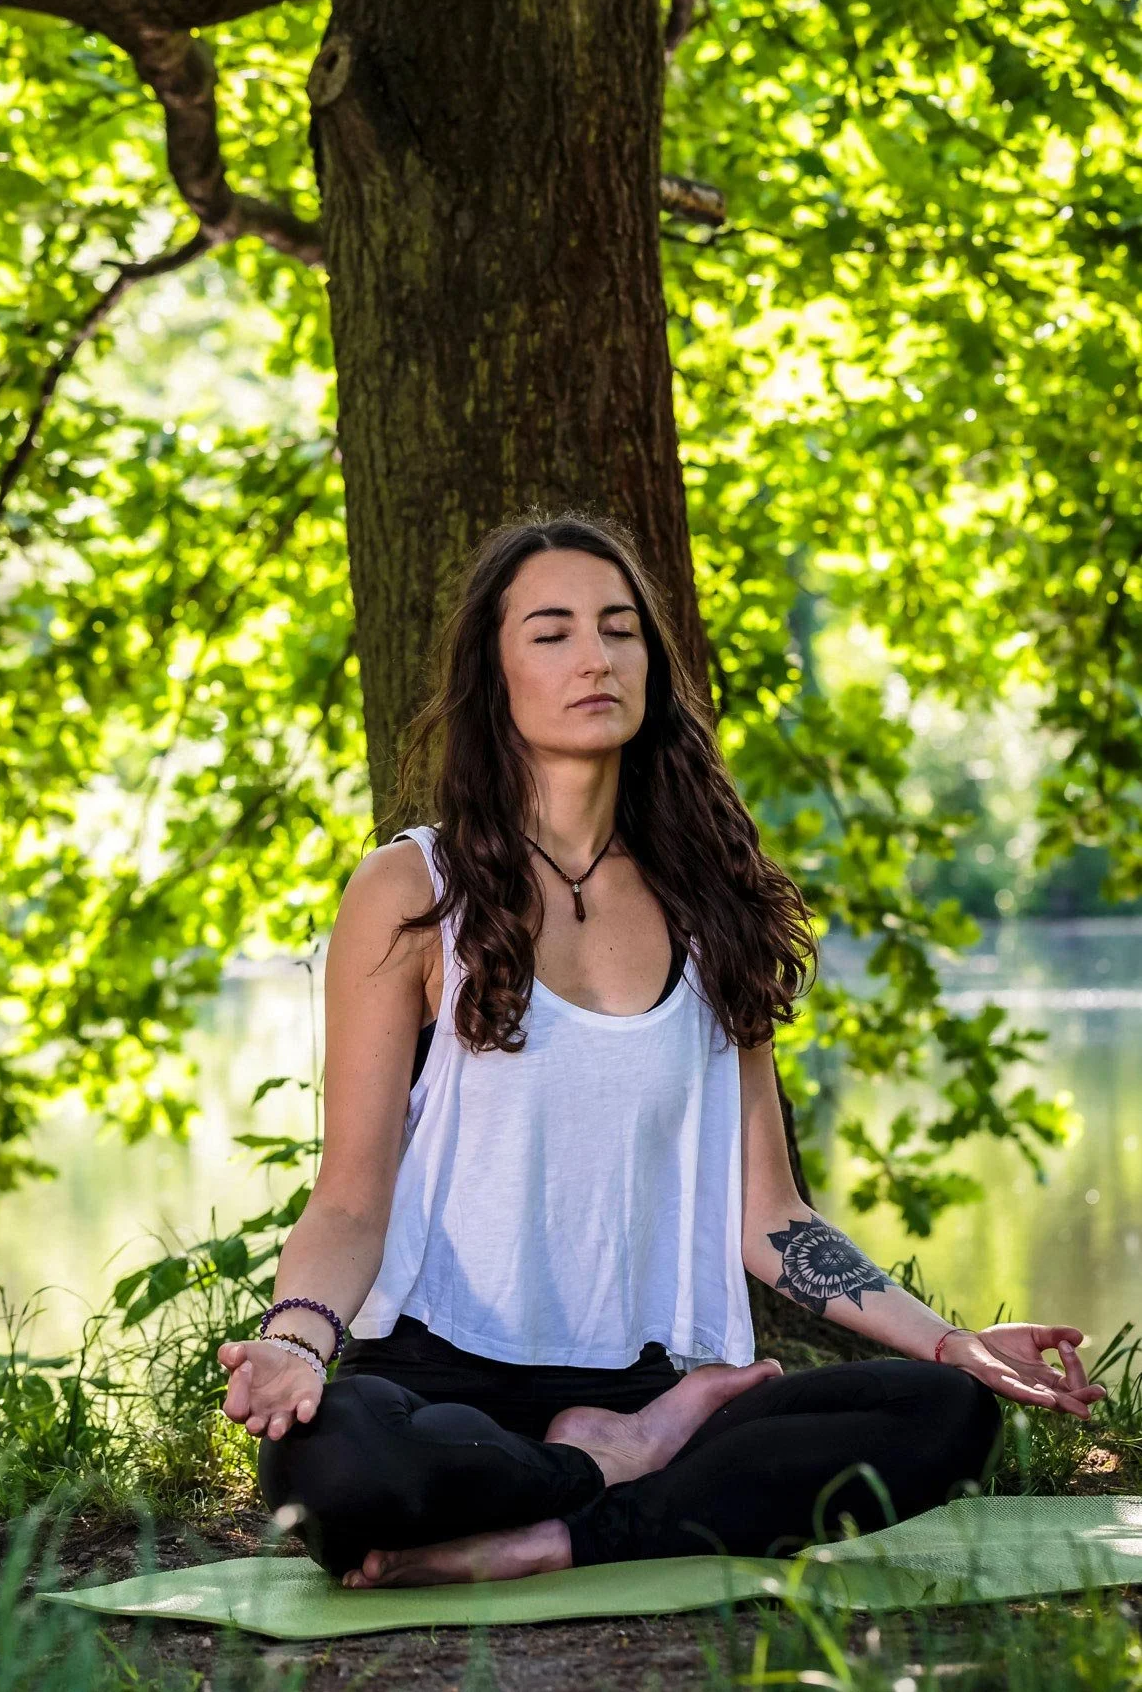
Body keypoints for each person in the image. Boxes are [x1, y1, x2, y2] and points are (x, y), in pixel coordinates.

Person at [218, 514, 1102, 1589]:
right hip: (437, 1380)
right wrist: (295, 1343)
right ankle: (604, 1473)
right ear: (493, 676)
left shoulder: (709, 899)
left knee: (943, 1412)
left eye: (618, 628)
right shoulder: (412, 890)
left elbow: (768, 1215)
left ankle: (556, 1531)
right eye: (551, 633)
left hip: (647, 1385)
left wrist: (948, 1339)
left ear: (650, 660)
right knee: (335, 1469)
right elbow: (351, 1200)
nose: (594, 657)